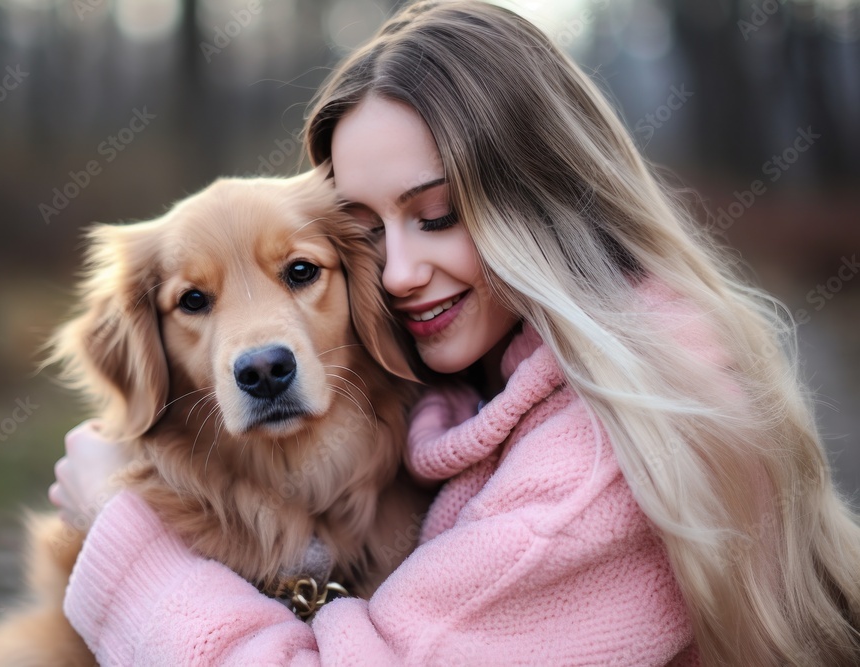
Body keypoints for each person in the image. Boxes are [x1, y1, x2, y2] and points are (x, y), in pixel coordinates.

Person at [48, 1, 860, 664]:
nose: (395, 273)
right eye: (365, 234)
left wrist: (125, 546)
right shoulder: (500, 376)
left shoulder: (600, 470)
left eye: (435, 215)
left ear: (546, 196)